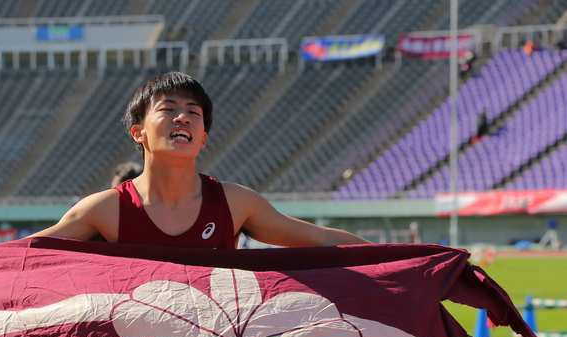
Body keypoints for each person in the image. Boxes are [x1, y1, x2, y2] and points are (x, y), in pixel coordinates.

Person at [29, 71, 370, 248]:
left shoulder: (236, 204)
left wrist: (415, 258)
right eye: (168, 109)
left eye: (194, 113)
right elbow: (17, 258)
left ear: (203, 138)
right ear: (138, 133)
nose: (183, 118)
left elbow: (322, 240)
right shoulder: (104, 210)